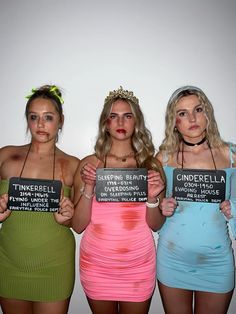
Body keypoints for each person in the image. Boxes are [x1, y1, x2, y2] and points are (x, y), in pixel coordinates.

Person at [72, 86, 165, 314]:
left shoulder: (151, 166)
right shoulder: (88, 164)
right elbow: (77, 226)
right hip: (97, 265)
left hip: (139, 265)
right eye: (113, 116)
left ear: (136, 122)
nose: (120, 122)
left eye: (127, 116)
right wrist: (89, 188)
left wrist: (152, 198)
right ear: (105, 123)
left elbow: (157, 224)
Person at [156, 85, 236, 314]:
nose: (192, 118)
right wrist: (162, 206)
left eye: (198, 109)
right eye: (182, 113)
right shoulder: (163, 158)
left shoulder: (231, 156)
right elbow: (151, 210)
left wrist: (234, 209)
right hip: (173, 259)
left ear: (207, 113)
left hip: (217, 262)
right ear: (174, 121)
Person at [0, 85, 80, 314]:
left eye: (48, 117)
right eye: (34, 117)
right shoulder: (5, 155)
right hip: (8, 261)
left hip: (54, 265)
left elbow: (78, 223)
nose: (40, 124)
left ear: (61, 120)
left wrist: (67, 218)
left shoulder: (74, 165)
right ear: (27, 120)